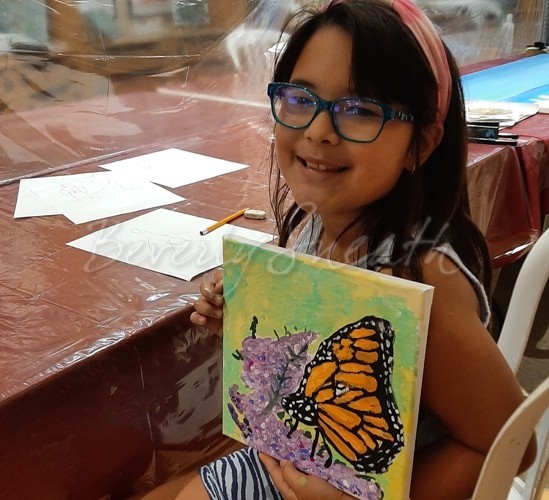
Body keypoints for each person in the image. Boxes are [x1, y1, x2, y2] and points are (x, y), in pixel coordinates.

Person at [182, 0, 535, 498]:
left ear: (421, 145)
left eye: (360, 110)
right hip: (298, 456)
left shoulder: (420, 276)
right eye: (301, 98)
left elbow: (510, 447)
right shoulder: (316, 223)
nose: (318, 131)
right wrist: (246, 308)